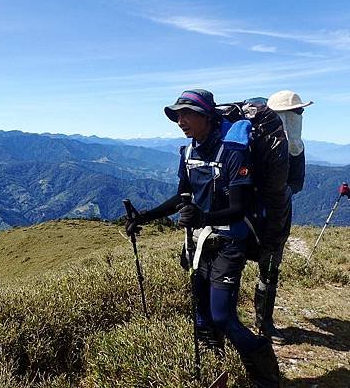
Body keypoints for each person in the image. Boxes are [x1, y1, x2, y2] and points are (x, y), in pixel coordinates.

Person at [126, 89, 279, 388]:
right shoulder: (189, 152)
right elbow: (182, 197)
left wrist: (203, 218)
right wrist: (142, 217)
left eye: (186, 114)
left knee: (222, 316)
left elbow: (238, 208)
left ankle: (265, 372)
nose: (180, 121)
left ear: (207, 116)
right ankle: (213, 369)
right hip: (198, 243)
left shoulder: (234, 152)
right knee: (200, 313)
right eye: (177, 116)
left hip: (229, 244)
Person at [251, 90, 313, 343]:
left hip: (268, 215)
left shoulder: (293, 146)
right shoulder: (263, 142)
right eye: (297, 111)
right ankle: (256, 323)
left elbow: (296, 183)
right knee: (263, 267)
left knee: (268, 268)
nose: (300, 114)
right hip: (267, 216)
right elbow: (296, 183)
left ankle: (261, 322)